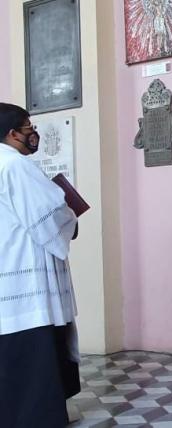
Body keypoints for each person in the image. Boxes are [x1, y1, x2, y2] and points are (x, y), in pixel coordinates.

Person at [0, 103, 80, 427]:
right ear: (11, 133)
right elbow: (50, 215)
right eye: (27, 126)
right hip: (26, 282)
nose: (33, 133)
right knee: (34, 361)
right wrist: (72, 217)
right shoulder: (14, 165)